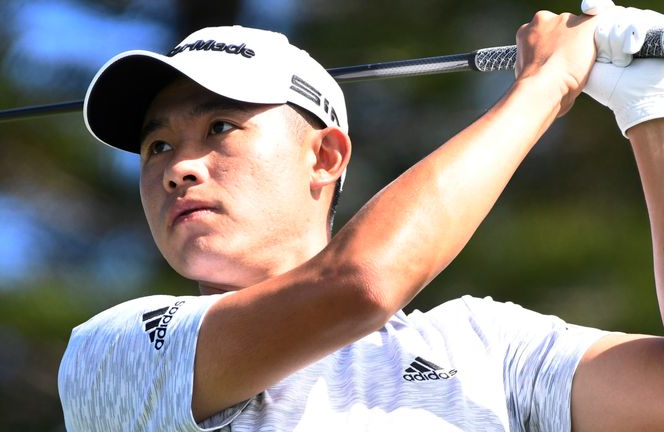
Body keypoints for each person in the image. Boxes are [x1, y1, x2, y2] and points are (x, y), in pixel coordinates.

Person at [58, 0, 664, 430]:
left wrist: (651, 114)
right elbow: (361, 283)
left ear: (323, 156)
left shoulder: (485, 348)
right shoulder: (115, 351)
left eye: (220, 127)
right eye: (156, 145)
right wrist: (544, 84)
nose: (177, 168)